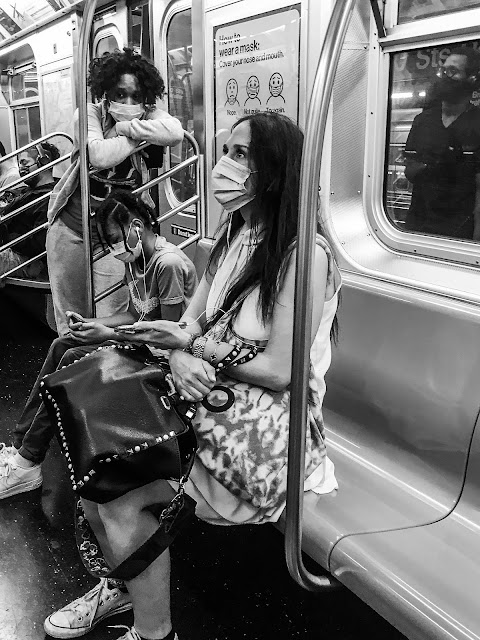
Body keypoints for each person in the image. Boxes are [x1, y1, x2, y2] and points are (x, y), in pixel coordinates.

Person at [42, 112, 341, 640]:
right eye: (227, 151)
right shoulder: (235, 235)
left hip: (273, 420)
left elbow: (278, 372)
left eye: (242, 154)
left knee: (121, 493)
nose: (226, 165)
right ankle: (124, 582)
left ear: (277, 169)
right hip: (215, 387)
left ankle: (154, 630)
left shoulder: (304, 254)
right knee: (95, 466)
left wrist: (189, 349)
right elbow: (189, 326)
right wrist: (159, 345)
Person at [0, 190, 197, 499]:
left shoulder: (167, 264)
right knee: (62, 345)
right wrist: (95, 324)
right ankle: (20, 445)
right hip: (142, 343)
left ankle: (29, 461)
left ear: (136, 226)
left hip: (166, 356)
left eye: (115, 239)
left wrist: (107, 334)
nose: (114, 248)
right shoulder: (136, 260)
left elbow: (167, 335)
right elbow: (132, 314)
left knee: (72, 359)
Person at [46, 48, 184, 336]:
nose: (129, 103)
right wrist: (138, 136)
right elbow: (99, 155)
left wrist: (123, 128)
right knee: (71, 319)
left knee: (112, 314)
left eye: (136, 96)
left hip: (114, 234)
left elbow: (174, 132)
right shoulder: (89, 113)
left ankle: (105, 363)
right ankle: (74, 363)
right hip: (71, 228)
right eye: (120, 95)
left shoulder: (147, 113)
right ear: (106, 93)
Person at [404, 46, 480, 240]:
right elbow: (409, 170)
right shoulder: (423, 120)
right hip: (418, 223)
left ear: (472, 79)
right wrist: (431, 166)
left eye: (453, 71)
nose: (445, 76)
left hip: (459, 228)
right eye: (443, 70)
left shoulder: (477, 122)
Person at [0, 142, 60, 281]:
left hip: (30, 260)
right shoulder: (25, 191)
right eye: (19, 164)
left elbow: (38, 244)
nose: (21, 168)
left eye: (24, 163)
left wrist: (6, 234)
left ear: (43, 162)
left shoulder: (51, 197)